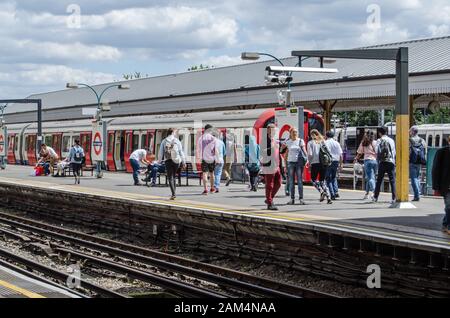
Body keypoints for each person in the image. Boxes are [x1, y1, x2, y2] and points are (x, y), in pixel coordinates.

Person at [158, 128, 186, 200]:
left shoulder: (164, 141)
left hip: (168, 160)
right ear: (173, 132)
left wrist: (159, 161)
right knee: (174, 176)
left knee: (170, 177)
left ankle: (173, 194)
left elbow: (161, 152)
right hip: (176, 161)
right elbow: (181, 152)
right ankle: (174, 193)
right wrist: (183, 162)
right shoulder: (177, 141)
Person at [281, 127, 307, 205]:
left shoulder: (300, 141)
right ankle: (292, 199)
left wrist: (307, 160)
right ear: (290, 133)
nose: (295, 133)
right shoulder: (288, 142)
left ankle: (301, 199)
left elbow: (304, 151)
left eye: (296, 132)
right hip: (290, 163)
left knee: (299, 181)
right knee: (291, 182)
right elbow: (283, 153)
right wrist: (285, 166)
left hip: (299, 163)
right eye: (293, 132)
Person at [307, 129, 332, 204]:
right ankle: (328, 197)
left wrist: (309, 163)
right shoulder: (322, 141)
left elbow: (310, 154)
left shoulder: (310, 143)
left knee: (313, 180)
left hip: (315, 163)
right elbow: (328, 152)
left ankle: (321, 191)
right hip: (324, 163)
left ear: (311, 135)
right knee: (322, 181)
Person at [260, 124, 282, 210]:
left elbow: (278, 152)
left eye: (274, 130)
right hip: (269, 165)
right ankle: (270, 203)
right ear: (268, 130)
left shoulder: (275, 140)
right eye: (272, 130)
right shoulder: (264, 140)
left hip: (277, 165)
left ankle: (269, 199)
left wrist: (283, 148)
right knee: (270, 185)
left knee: (279, 183)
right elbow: (262, 152)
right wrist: (271, 148)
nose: (274, 131)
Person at [373, 127, 396, 204]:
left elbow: (376, 151)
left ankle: (375, 197)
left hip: (382, 162)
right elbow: (394, 152)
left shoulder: (379, 140)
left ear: (380, 133)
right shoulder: (391, 140)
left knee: (379, 180)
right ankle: (394, 198)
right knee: (392, 180)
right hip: (391, 162)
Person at [432, 135, 450, 235]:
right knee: (449, 206)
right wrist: (436, 186)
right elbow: (436, 170)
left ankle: (445, 223)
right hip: (446, 185)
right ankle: (448, 226)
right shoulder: (442, 152)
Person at [354, 130, 378, 200]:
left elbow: (359, 152)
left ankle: (374, 193)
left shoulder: (364, 142)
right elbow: (378, 152)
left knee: (370, 177)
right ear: (373, 135)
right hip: (375, 161)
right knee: (370, 177)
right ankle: (367, 193)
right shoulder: (376, 142)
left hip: (367, 161)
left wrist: (356, 158)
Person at [197, 124, 217, 195]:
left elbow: (198, 149)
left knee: (204, 174)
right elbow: (215, 150)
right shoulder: (213, 138)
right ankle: (212, 188)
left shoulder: (200, 138)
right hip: (212, 158)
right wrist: (216, 158)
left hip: (204, 159)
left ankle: (205, 190)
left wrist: (198, 157)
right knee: (212, 173)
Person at [409, 126, 427, 202]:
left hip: (412, 161)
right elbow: (425, 151)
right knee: (417, 178)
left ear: (413, 131)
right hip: (419, 162)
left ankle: (417, 195)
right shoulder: (422, 140)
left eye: (410, 131)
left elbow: (408, 151)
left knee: (413, 179)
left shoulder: (410, 140)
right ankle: (418, 193)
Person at [324, 131, 343, 200]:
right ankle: (336, 191)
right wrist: (341, 164)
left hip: (328, 161)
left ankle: (332, 194)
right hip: (336, 161)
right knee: (334, 177)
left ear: (326, 136)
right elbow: (341, 154)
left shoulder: (325, 143)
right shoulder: (336, 143)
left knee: (328, 178)